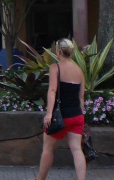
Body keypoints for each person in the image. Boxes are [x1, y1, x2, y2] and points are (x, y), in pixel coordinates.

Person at [36, 38, 87, 180]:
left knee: (48, 148)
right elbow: (81, 97)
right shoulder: (79, 70)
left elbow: (52, 91)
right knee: (77, 150)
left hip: (61, 116)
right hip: (77, 115)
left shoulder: (55, 68)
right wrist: (80, 114)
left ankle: (40, 179)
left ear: (58, 51)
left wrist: (49, 114)